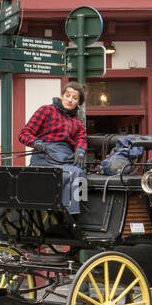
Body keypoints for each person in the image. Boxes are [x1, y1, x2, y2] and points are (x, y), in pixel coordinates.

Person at [19, 82, 88, 213]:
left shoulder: (78, 122)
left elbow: (81, 139)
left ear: (78, 102)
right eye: (68, 95)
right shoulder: (46, 110)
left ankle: (80, 205)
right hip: (45, 155)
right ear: (62, 96)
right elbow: (24, 134)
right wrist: (36, 142)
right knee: (75, 173)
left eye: (75, 98)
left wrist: (80, 151)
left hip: (65, 157)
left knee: (81, 174)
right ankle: (70, 213)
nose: (70, 100)